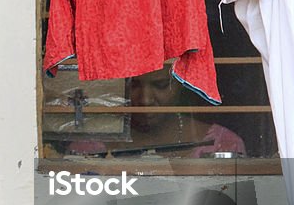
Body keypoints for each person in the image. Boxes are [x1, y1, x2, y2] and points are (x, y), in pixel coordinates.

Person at [70, 65, 246, 157]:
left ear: (182, 85)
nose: (145, 99)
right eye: (134, 85)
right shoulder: (89, 147)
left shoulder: (223, 144)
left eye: (161, 85)